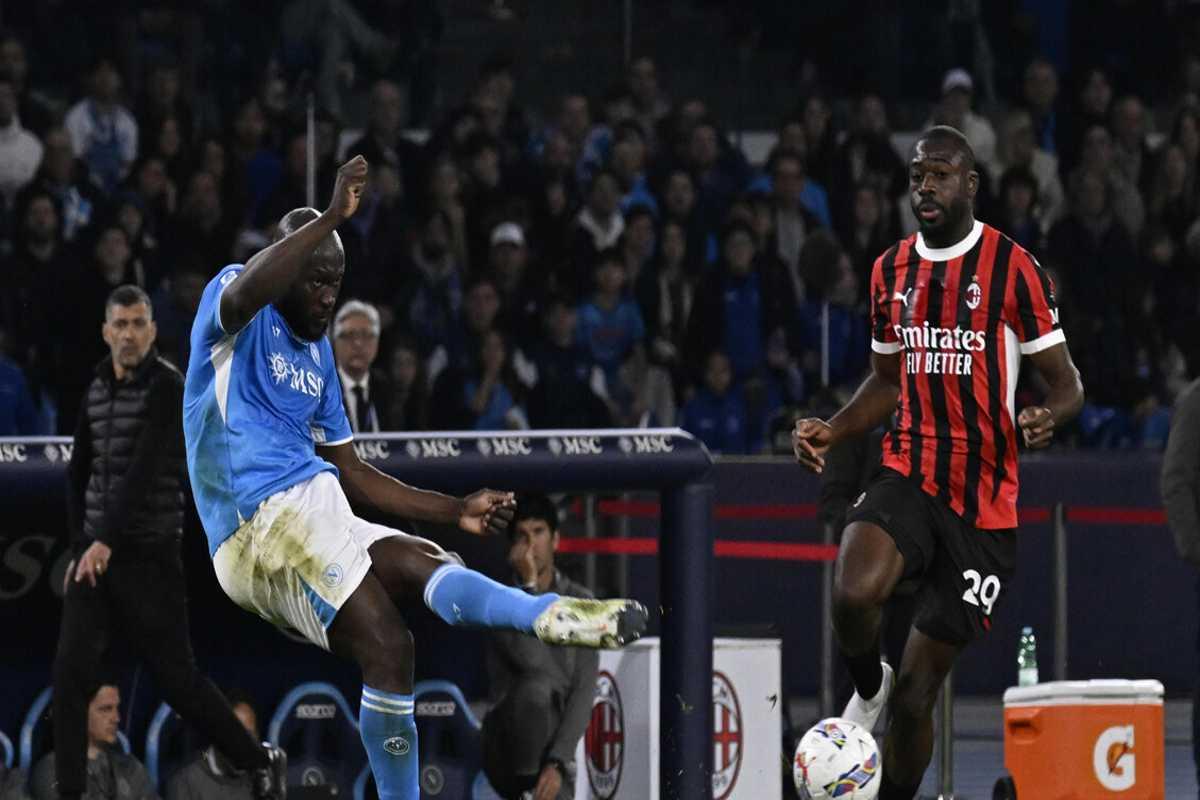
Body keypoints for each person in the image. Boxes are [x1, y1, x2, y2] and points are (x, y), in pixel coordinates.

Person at [182, 156, 646, 800]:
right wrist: (331, 218)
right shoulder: (234, 306)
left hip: (313, 505)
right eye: (315, 280)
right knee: (388, 643)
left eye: (336, 282)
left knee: (423, 565)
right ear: (288, 265)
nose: (327, 296)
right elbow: (249, 290)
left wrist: (454, 509)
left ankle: (542, 614)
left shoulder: (319, 357)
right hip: (254, 523)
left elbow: (352, 472)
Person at [791, 126, 1084, 800]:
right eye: (918, 174)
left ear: (970, 184)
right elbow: (886, 381)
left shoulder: (1015, 269)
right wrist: (834, 429)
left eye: (941, 174)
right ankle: (868, 687)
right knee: (852, 594)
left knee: (920, 696)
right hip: (909, 469)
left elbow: (1067, 383)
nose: (925, 186)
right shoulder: (890, 270)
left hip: (983, 503)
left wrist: (1049, 414)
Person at [55, 285, 284, 800]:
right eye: (120, 324)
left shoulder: (168, 385)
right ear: (106, 331)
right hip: (96, 558)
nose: (129, 334)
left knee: (178, 682)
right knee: (69, 676)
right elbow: (76, 473)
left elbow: (145, 469)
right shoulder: (95, 387)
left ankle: (257, 759)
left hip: (149, 556)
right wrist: (80, 545)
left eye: (139, 324)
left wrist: (104, 541)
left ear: (153, 330)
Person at [482, 494, 599, 800]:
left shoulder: (581, 602)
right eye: (522, 535)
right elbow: (534, 663)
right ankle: (529, 788)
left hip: (554, 746)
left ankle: (548, 778)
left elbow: (584, 689)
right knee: (537, 689)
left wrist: (558, 762)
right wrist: (529, 587)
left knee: (559, 697)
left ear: (555, 539)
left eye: (538, 532)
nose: (531, 544)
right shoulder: (499, 600)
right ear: (512, 548)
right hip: (507, 749)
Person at [30, 684, 158, 800]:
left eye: (116, 708)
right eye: (106, 709)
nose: (116, 718)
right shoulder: (52, 772)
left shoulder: (131, 767)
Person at [165, 691, 262, 800]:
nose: (242, 743)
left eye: (249, 735)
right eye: (234, 734)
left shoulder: (264, 779)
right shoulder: (186, 782)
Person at [333, 300, 392, 433]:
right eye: (350, 335)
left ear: (376, 343)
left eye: (366, 335)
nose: (358, 343)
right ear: (335, 342)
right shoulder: (321, 392)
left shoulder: (387, 391)